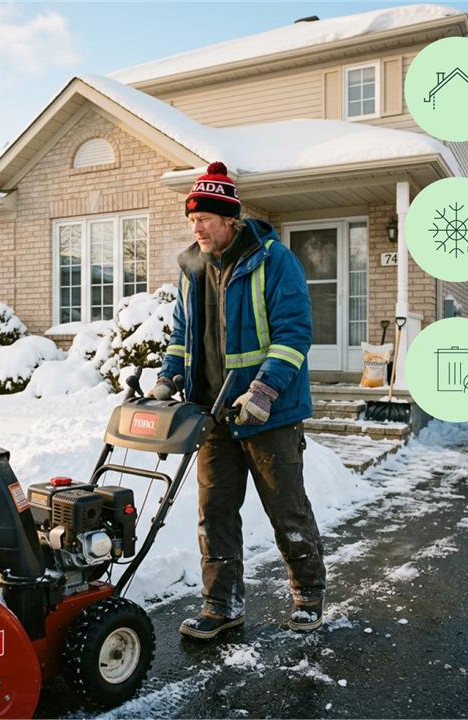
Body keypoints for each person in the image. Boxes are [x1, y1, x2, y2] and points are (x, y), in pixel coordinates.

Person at [150, 161, 325, 639]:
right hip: (213, 416)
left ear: (230, 218)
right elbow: (184, 333)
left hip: (269, 413)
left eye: (205, 218)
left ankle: (308, 595)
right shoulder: (192, 269)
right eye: (192, 220)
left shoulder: (273, 260)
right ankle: (222, 605)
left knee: (286, 509)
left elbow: (294, 333)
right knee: (216, 514)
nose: (197, 227)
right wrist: (168, 377)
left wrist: (264, 390)